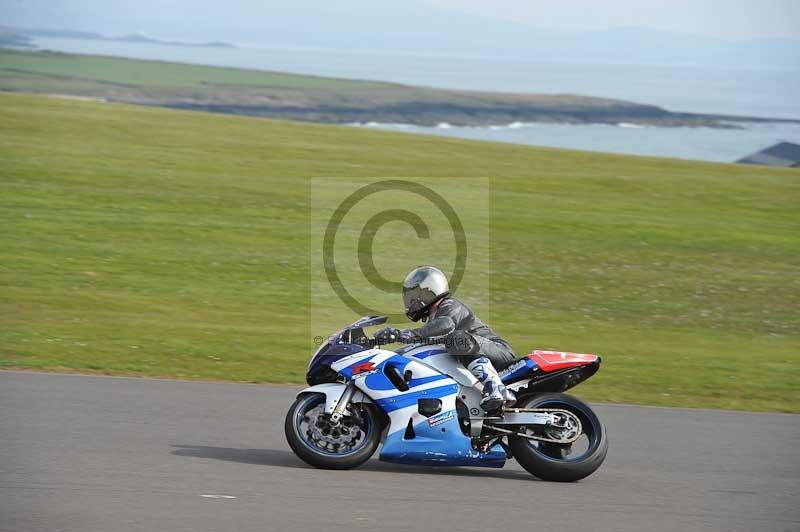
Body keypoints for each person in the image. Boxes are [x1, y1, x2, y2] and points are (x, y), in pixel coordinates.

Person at [374, 265, 516, 412]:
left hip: (499, 351)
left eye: (414, 295)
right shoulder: (431, 323)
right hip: (476, 356)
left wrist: (404, 334)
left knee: (457, 339)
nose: (411, 302)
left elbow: (445, 325)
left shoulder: (450, 305)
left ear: (429, 291)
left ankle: (497, 389)